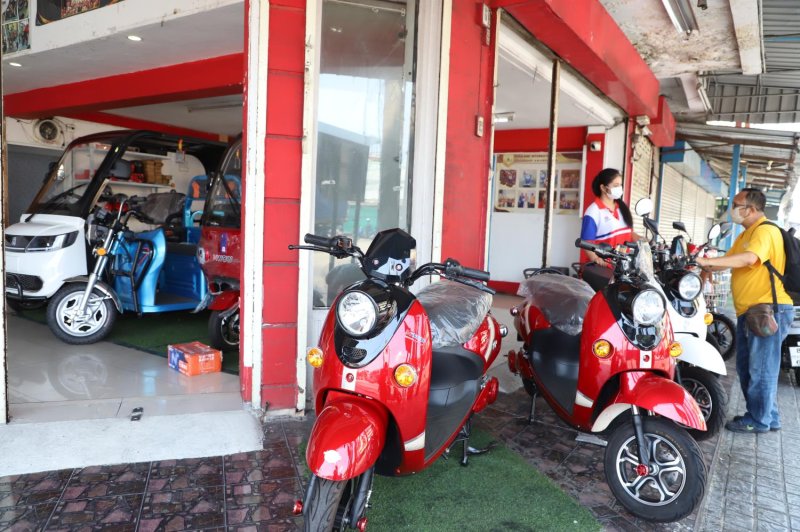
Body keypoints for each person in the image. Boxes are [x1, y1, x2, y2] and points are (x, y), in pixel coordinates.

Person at [697, 188, 794, 434]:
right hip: (751, 311)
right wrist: (701, 264)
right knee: (748, 366)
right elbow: (728, 261)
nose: (732, 208)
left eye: (736, 204)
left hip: (767, 309)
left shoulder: (765, 231)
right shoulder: (745, 235)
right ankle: (768, 416)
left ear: (750, 209)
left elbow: (750, 259)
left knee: (760, 368)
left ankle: (758, 420)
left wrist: (708, 262)